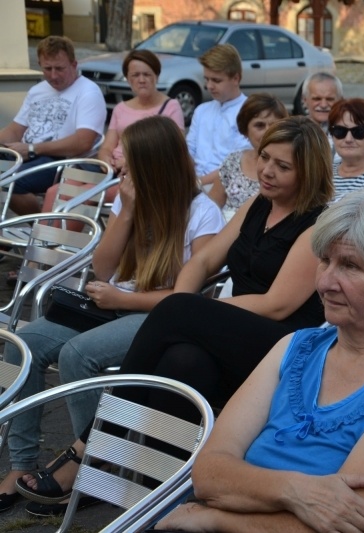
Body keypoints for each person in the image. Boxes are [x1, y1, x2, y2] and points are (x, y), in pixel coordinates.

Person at [14, 116, 335, 513]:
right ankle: (160, 494)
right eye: (265, 157)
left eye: (282, 166)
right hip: (232, 331)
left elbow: (278, 305)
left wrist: (191, 310)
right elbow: (203, 262)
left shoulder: (319, 223)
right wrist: (183, 308)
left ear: (309, 172)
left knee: (180, 316)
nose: (266, 170)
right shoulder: (257, 204)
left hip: (282, 344)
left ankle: (91, 446)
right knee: (182, 361)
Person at [142, 190, 364, 532]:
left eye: (350, 266)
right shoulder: (295, 348)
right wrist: (295, 490)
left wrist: (215, 517)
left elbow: (342, 524)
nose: (326, 282)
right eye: (325, 261)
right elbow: (209, 473)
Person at [0, 115, 225, 513]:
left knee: (78, 355)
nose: (119, 162)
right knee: (27, 344)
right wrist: (128, 212)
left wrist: (123, 301)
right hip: (112, 304)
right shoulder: (129, 198)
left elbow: (187, 303)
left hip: (156, 317)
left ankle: (94, 464)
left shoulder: (202, 213)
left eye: (129, 157)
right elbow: (104, 269)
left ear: (154, 163)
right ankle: (20, 466)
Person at [40, 50, 185, 215]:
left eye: (147, 74)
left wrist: (133, 161)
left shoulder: (171, 106)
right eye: (135, 75)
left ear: (156, 76)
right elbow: (107, 147)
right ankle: (44, 240)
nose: (142, 80)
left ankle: (66, 240)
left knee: (82, 195)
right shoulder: (121, 108)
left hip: (143, 175)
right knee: (54, 191)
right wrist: (106, 158)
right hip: (111, 171)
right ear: (128, 79)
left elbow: (175, 150)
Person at [0, 35, 105, 216]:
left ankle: (40, 232)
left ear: (74, 65)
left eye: (59, 68)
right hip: (30, 154)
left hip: (63, 160)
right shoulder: (37, 90)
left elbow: (83, 142)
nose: (53, 75)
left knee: (9, 181)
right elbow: (16, 130)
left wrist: (33, 149)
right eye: (47, 69)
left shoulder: (88, 92)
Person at [206, 93, 288, 221]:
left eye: (274, 126)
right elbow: (210, 208)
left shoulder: (288, 167)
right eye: (259, 125)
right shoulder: (232, 162)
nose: (268, 132)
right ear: (245, 129)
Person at [189, 44, 251, 185]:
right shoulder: (202, 111)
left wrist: (198, 182)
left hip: (228, 187)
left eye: (216, 80)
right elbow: (189, 150)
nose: (209, 86)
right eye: (207, 79)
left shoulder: (249, 111)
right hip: (195, 183)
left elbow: (238, 162)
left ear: (236, 78)